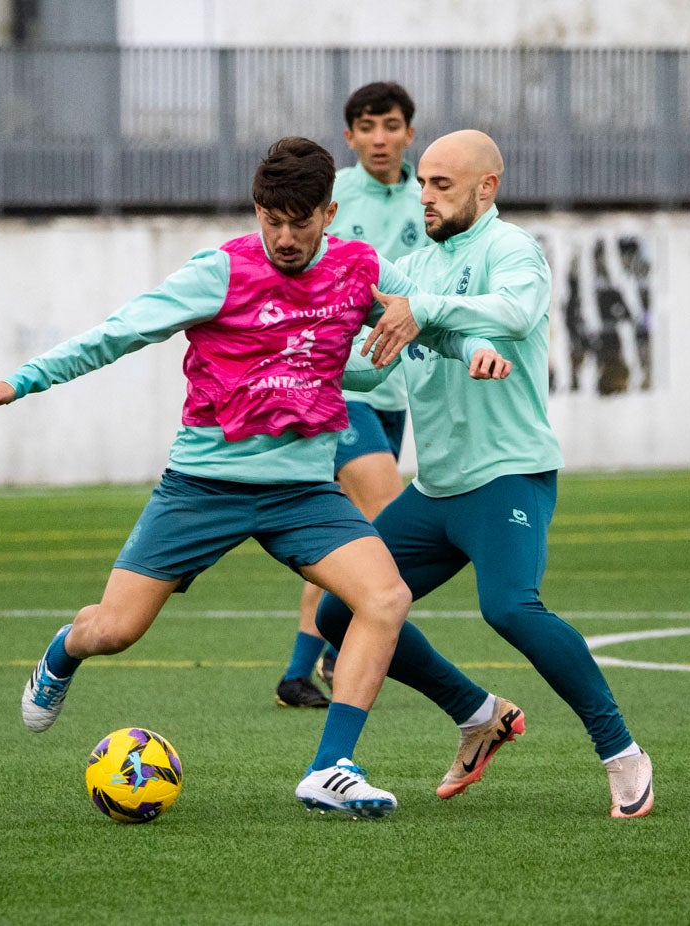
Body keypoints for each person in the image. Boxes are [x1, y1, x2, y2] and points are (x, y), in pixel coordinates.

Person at [0, 137, 512, 819]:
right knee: (114, 629)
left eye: (300, 222)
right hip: (203, 488)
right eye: (270, 220)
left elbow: (424, 321)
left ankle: (329, 768)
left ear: (328, 212)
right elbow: (118, 332)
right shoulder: (217, 272)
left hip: (303, 493)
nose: (284, 238)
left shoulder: (357, 268)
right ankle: (61, 652)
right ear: (257, 211)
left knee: (383, 598)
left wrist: (480, 347)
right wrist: (21, 380)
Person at [316, 130, 656, 819]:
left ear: (485, 187)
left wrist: (427, 311)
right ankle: (477, 714)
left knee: (507, 608)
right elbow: (373, 359)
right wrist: (297, 366)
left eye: (443, 185)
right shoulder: (412, 267)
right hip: (435, 491)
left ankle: (622, 754)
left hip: (507, 478)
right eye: (424, 185)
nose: (427, 196)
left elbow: (516, 312)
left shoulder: (512, 250)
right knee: (337, 609)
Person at [274, 81, 428, 709]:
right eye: (367, 127)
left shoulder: (430, 197)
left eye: (391, 125)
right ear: (350, 137)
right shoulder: (330, 196)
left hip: (396, 388)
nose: (380, 138)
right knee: (389, 509)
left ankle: (297, 672)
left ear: (408, 133)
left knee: (347, 532)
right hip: (339, 388)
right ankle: (350, 640)